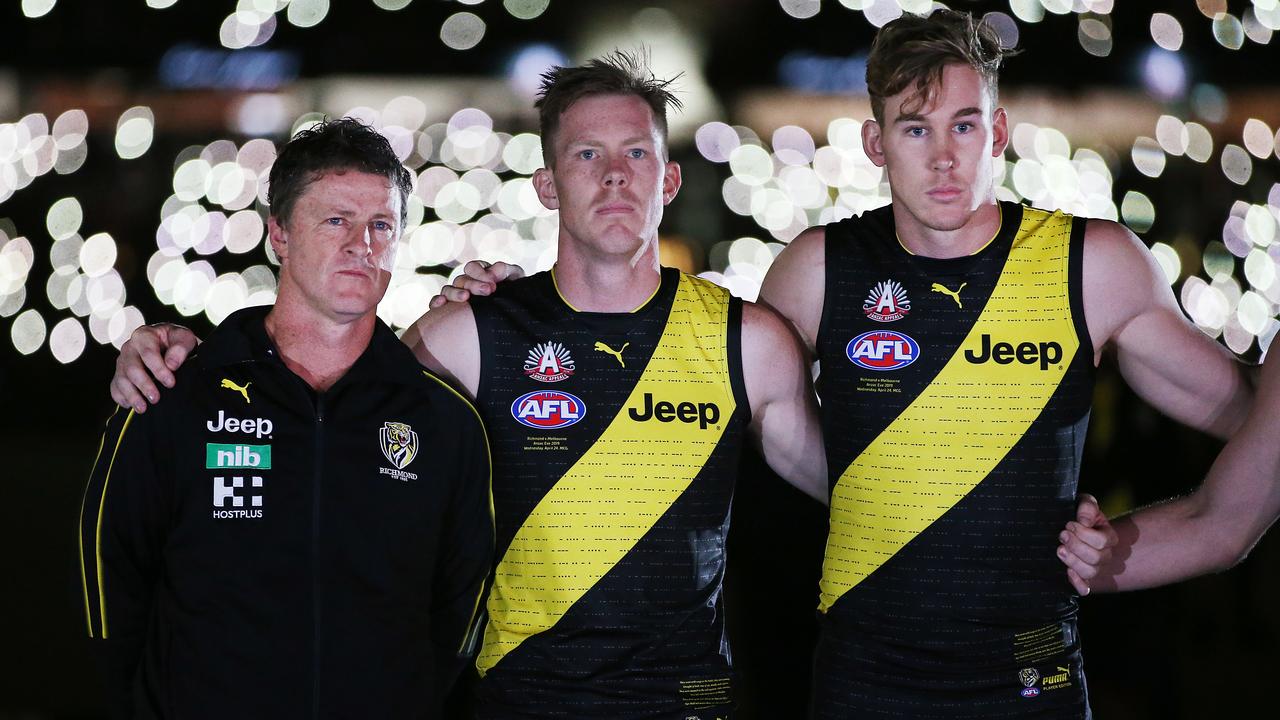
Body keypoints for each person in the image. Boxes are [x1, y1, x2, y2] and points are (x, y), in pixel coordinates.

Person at [107, 52, 1111, 718]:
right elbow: (319, 388)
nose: (617, 176)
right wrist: (174, 356)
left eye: (638, 154)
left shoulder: (742, 341)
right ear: (547, 186)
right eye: (587, 155)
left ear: (669, 181)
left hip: (685, 705)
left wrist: (1045, 523)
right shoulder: (467, 334)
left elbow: (864, 490)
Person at [753, 9, 1253, 719]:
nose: (944, 157)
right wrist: (877, 495)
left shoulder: (1092, 267)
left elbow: (1250, 414)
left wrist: (1157, 535)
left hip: (1030, 683)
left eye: (963, 125)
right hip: (865, 681)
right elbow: (738, 431)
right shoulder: (816, 271)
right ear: (875, 143)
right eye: (915, 128)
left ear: (997, 131)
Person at [78, 118, 494, 719]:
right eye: (335, 221)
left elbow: (462, 605)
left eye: (382, 225)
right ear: (279, 235)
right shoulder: (176, 393)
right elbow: (108, 574)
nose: (363, 245)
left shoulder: (442, 419)